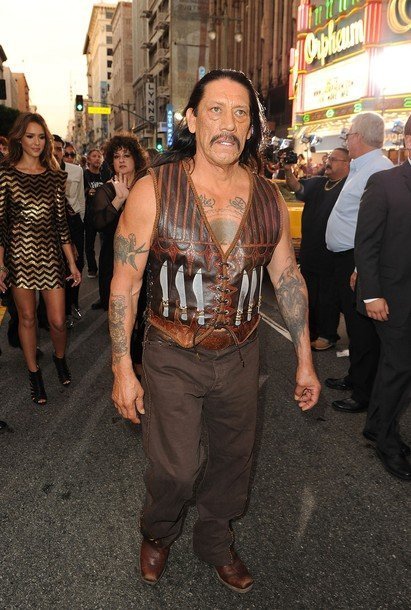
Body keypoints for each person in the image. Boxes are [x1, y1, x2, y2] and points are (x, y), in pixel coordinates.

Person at [109, 69, 320, 592]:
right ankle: (158, 531)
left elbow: (287, 278)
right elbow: (125, 284)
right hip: (171, 352)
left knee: (233, 462)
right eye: (216, 110)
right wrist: (121, 368)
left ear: (250, 128)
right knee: (175, 469)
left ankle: (216, 541)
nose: (228, 123)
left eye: (240, 113)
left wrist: (305, 360)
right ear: (192, 120)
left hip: (242, 355)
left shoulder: (269, 197)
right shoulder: (153, 190)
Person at [0, 112, 81, 404]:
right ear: (19, 139)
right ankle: (34, 374)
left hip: (50, 257)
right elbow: (1, 224)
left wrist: (71, 263)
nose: (36, 142)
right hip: (19, 257)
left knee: (58, 321)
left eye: (41, 137)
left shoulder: (54, 176)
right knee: (27, 317)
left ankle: (59, 358)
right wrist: (0, 265)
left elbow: (61, 224)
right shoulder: (6, 175)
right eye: (30, 136)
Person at [353, 114, 411, 481]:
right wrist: (372, 294)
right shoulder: (385, 182)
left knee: (398, 368)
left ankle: (376, 425)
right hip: (392, 298)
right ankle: (387, 442)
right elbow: (366, 243)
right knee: (400, 367)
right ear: (408, 140)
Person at [324, 112, 393, 413]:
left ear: (359, 137)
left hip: (358, 259)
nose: (347, 139)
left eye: (349, 134)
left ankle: (364, 393)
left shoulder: (379, 170)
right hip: (346, 258)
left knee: (363, 329)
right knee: (354, 326)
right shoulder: (361, 166)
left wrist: (358, 268)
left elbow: (380, 228)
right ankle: (355, 377)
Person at [284, 148, 350, 350]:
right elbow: (296, 186)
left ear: (347, 163)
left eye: (334, 159)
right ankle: (310, 333)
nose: (328, 162)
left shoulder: (349, 186)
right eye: (328, 158)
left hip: (331, 255)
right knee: (309, 296)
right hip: (310, 252)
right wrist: (287, 169)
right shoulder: (318, 183)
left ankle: (327, 335)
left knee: (328, 298)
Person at [54, 137, 85, 323]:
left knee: (78, 264)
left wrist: (81, 224)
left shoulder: (76, 171)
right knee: (60, 267)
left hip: (74, 222)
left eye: (60, 149)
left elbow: (80, 199)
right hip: (53, 225)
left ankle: (73, 303)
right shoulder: (42, 172)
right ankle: (61, 310)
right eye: (53, 149)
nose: (56, 153)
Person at [83, 148, 106, 282]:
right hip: (90, 215)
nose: (97, 158)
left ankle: (104, 267)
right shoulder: (85, 175)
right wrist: (88, 191)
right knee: (89, 244)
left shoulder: (104, 175)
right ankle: (92, 268)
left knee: (105, 243)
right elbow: (83, 191)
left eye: (99, 156)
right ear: (89, 159)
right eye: (94, 156)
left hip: (103, 214)